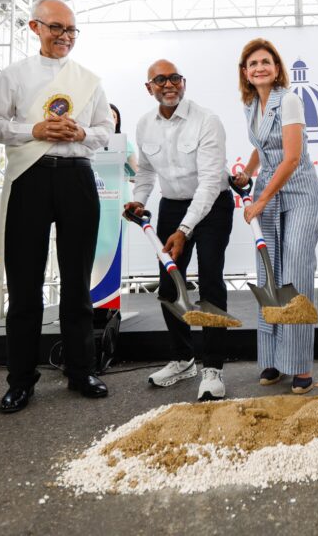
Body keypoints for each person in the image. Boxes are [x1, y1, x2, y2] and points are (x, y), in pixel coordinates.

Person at [0, 0, 114, 414]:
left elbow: (104, 130)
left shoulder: (89, 80)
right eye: (56, 28)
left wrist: (79, 132)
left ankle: (81, 370)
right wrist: (35, 129)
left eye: (72, 31)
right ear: (34, 27)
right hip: (30, 176)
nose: (65, 36)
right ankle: (20, 380)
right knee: (25, 284)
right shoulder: (14, 74)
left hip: (77, 175)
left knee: (78, 282)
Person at [125, 60, 234, 401]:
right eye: (160, 80)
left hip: (213, 204)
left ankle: (213, 366)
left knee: (211, 281)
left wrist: (185, 229)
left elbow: (210, 182)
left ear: (183, 83)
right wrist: (139, 201)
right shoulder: (144, 125)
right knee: (169, 285)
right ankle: (183, 358)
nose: (168, 84)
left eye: (174, 78)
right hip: (172, 205)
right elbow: (144, 175)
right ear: (149, 88)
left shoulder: (207, 121)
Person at [231, 38, 318, 395]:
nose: (259, 68)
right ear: (245, 72)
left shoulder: (290, 100)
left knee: (296, 275)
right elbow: (261, 146)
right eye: (252, 63)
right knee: (271, 274)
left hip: (299, 193)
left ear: (277, 66)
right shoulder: (251, 104)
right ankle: (272, 358)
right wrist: (246, 172)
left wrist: (258, 199)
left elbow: (291, 158)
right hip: (267, 192)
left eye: (265, 62)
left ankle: (299, 365)